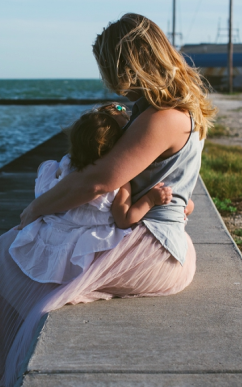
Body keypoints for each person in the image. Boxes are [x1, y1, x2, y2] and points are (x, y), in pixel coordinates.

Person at [0, 13, 216, 387]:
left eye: (108, 66)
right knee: (21, 256)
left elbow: (97, 181)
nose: (107, 77)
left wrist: (35, 207)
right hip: (149, 235)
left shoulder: (163, 118)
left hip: (155, 248)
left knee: (10, 252)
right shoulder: (163, 109)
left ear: (126, 63)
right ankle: (0, 379)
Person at [10, 102, 174, 286]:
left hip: (53, 237)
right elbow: (125, 219)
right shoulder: (117, 182)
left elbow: (47, 188)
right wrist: (150, 199)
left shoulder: (65, 165)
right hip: (86, 248)